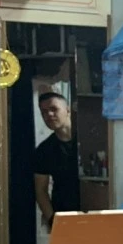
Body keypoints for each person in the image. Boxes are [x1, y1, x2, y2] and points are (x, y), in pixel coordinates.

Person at [32, 91, 80, 231]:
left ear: (68, 110)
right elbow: (40, 190)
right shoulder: (44, 150)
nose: (49, 114)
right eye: (44, 112)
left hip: (95, 211)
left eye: (54, 109)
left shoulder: (87, 138)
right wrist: (53, 220)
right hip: (64, 215)